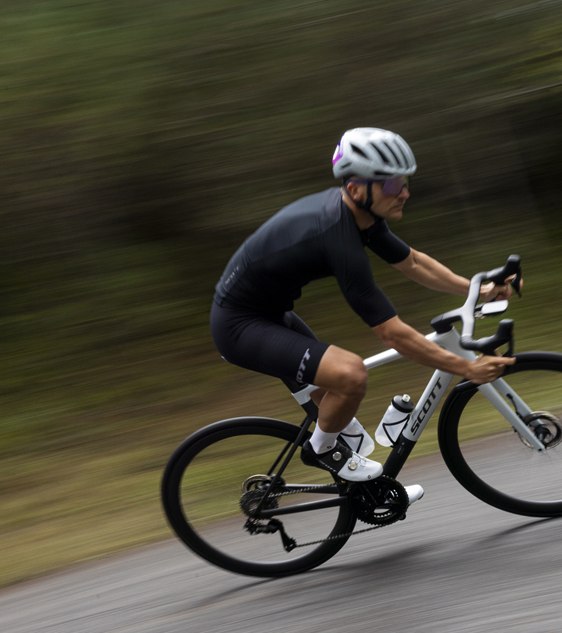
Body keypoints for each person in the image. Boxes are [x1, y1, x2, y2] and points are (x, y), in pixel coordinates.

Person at [210, 127, 517, 486]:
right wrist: (468, 369)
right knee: (351, 375)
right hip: (240, 328)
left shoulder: (362, 217)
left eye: (403, 181)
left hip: (274, 317)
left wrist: (479, 289)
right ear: (356, 188)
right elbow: (392, 333)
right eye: (391, 185)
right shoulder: (337, 236)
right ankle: (320, 450)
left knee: (345, 420)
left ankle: (364, 488)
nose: (404, 192)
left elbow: (413, 263)